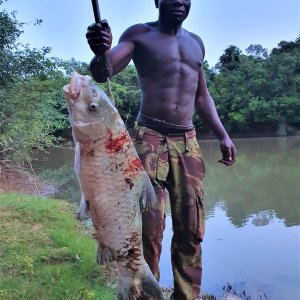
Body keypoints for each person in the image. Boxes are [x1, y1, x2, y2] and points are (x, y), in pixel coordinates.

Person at [86, 0, 237, 299]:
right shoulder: (139, 34)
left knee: (191, 230)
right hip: (148, 139)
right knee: (148, 230)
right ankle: (144, 294)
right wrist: (100, 49)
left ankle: (186, 296)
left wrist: (223, 134)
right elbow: (105, 71)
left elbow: (202, 96)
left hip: (188, 142)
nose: (179, 1)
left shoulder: (196, 44)